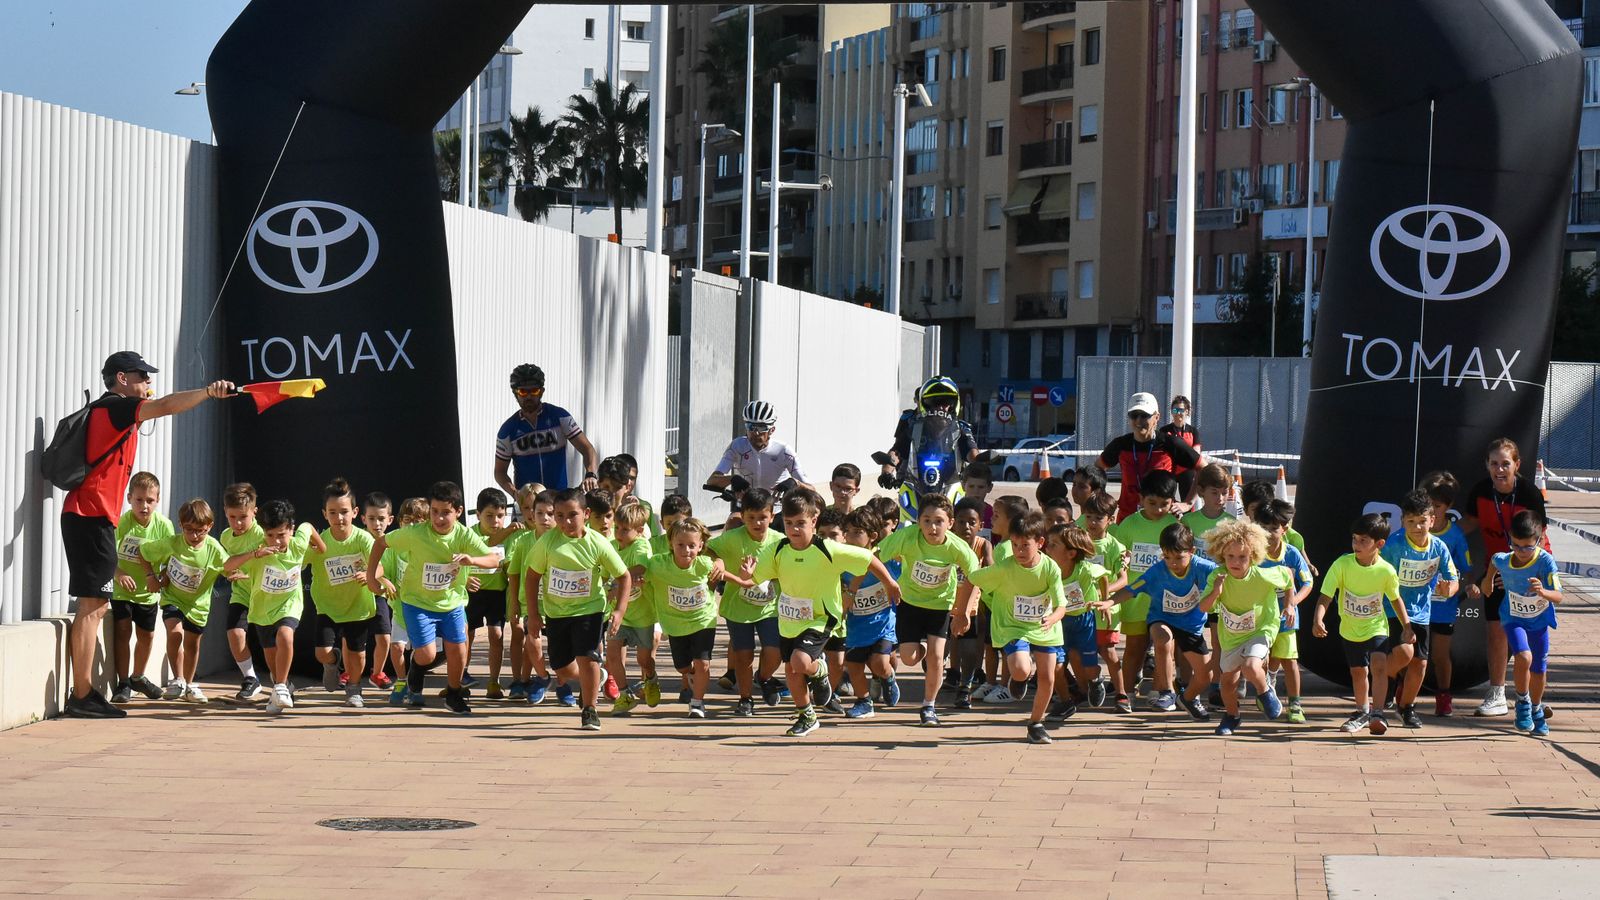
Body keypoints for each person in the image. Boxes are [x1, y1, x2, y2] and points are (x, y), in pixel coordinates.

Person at [60, 351, 233, 719]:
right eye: (143, 377)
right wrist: (208, 391)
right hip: (89, 517)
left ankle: (85, 692)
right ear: (122, 378)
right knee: (92, 609)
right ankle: (82, 695)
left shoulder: (117, 412)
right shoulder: (117, 407)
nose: (149, 384)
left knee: (96, 607)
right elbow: (168, 405)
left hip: (92, 518)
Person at [748, 490, 896, 738]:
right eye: (789, 524)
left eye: (801, 523)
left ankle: (820, 672)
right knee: (792, 671)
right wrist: (747, 573)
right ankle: (807, 716)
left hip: (821, 617)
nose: (794, 529)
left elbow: (868, 558)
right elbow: (753, 578)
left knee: (801, 662)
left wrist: (890, 583)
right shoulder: (778, 549)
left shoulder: (829, 549)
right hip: (789, 620)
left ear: (813, 522)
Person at [367, 481, 500, 716]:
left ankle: (454, 693)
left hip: (452, 603)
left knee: (458, 650)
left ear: (458, 512)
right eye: (434, 512)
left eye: (446, 513)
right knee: (426, 655)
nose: (439, 519)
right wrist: (371, 577)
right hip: (417, 603)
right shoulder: (415, 533)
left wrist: (472, 560)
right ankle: (415, 672)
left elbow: (493, 560)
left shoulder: (464, 535)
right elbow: (381, 543)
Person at [522, 488, 632, 731]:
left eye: (572, 515)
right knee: (561, 667)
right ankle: (593, 678)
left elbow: (624, 577)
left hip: (590, 611)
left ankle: (590, 710)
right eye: (559, 516)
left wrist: (619, 611)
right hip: (557, 613)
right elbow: (531, 577)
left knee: (588, 656)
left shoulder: (597, 543)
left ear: (586, 513)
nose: (565, 522)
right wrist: (533, 614)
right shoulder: (548, 542)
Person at [959, 513, 1069, 745]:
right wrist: (962, 613)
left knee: (1048, 677)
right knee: (1020, 669)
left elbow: (1061, 605)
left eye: (1025, 546)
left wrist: (1052, 619)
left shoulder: (1051, 569)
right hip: (1012, 626)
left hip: (1045, 627)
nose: (1019, 551)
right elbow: (971, 579)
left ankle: (1036, 724)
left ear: (1040, 543)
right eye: (1015, 545)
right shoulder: (1004, 568)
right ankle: (1018, 678)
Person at [1459, 437, 1547, 718]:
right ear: (1487, 465)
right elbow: (1470, 523)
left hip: (1528, 571)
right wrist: (1434, 539)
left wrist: (1533, 574)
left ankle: (1534, 701)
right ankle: (1497, 693)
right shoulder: (1481, 491)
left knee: (1533, 636)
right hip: (1496, 570)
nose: (1499, 469)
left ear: (1517, 465)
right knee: (1495, 630)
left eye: (1505, 464)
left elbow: (1540, 536)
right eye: (1494, 463)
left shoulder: (1530, 494)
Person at [879, 493, 983, 727]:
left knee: (937, 658)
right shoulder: (906, 537)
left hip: (940, 606)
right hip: (910, 603)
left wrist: (964, 611)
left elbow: (975, 578)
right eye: (926, 520)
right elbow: (875, 557)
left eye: (938, 521)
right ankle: (923, 645)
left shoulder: (957, 547)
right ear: (918, 521)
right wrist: (888, 582)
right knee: (910, 657)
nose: (932, 527)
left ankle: (928, 706)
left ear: (950, 523)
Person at [223, 499, 326, 715]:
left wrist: (321, 546)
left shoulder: (298, 543)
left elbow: (308, 527)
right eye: (270, 535)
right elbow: (227, 566)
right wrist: (253, 556)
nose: (276, 541)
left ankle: (279, 688)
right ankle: (282, 685)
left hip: (289, 605)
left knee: (286, 636)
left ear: (291, 529)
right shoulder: (259, 548)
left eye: (281, 535)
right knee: (273, 661)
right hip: (262, 611)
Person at [1199, 519, 1294, 737]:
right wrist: (1216, 591)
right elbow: (1203, 607)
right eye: (1230, 556)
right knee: (1227, 684)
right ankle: (1232, 716)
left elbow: (1288, 575)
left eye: (1242, 557)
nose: (1236, 562)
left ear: (1253, 556)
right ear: (1222, 554)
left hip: (1262, 628)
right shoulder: (1217, 576)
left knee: (1252, 667)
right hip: (1232, 636)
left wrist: (1289, 604)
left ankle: (1265, 691)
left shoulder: (1261, 575)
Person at [1313, 514, 1405, 736]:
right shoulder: (1342, 564)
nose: (1357, 544)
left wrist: (1408, 625)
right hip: (1350, 629)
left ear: (1379, 544)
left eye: (1364, 540)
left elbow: (1395, 599)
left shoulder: (1386, 571)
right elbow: (1326, 595)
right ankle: (1362, 712)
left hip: (1376, 627)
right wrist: (1318, 618)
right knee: (1358, 672)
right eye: (1355, 539)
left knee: (1380, 665)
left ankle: (1378, 713)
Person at [1120, 522, 1216, 720]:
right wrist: (1108, 601)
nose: (1172, 562)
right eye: (1167, 556)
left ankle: (1188, 698)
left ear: (1192, 551)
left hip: (1191, 625)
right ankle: (1167, 692)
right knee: (1162, 638)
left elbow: (1232, 575)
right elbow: (1132, 589)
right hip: (1161, 618)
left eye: (1179, 557)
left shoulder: (1205, 568)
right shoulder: (1157, 571)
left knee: (1206, 675)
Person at [1380, 490, 1459, 729]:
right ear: (1402, 521)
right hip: (1393, 609)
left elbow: (1453, 579)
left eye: (1422, 521)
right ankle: (1387, 678)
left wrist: (1448, 590)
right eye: (1411, 522)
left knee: (1420, 664)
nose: (1417, 527)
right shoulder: (1394, 545)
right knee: (1404, 652)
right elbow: (1381, 577)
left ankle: (1406, 707)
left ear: (1432, 520)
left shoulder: (1439, 548)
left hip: (1422, 612)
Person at [136, 499, 227, 703]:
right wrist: (150, 577)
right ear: (180, 525)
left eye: (200, 531)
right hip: (172, 597)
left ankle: (189, 683)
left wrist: (237, 573)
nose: (194, 536)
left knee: (192, 644)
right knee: (175, 632)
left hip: (198, 605)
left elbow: (228, 565)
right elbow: (143, 551)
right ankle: (178, 679)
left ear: (209, 527)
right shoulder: (172, 543)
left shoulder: (214, 548)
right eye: (189, 529)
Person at [634, 518, 724, 719]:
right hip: (675, 624)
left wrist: (738, 576)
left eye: (692, 546)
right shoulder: (658, 564)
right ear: (671, 545)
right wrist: (635, 581)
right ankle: (691, 675)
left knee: (703, 663)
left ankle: (698, 702)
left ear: (700, 546)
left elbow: (724, 572)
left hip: (703, 620)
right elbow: (640, 574)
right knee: (683, 667)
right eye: (680, 545)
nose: (686, 550)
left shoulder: (704, 564)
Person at [708, 487, 786, 716]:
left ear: (772, 516)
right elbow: (709, 549)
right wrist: (718, 562)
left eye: (763, 517)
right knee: (744, 655)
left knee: (774, 651)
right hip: (738, 609)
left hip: (770, 608)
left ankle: (763, 678)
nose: (757, 523)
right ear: (742, 517)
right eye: (751, 517)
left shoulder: (780, 541)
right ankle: (745, 698)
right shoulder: (732, 539)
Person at [1485, 511, 1562, 736]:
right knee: (1523, 656)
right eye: (1516, 545)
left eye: (1527, 547)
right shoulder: (1504, 559)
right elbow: (1493, 561)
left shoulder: (1545, 561)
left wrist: (1543, 591)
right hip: (1513, 618)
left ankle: (1537, 709)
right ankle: (1522, 702)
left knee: (1539, 669)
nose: (1521, 552)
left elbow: (1558, 595)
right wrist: (1487, 580)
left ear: (1538, 541)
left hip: (1538, 622)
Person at [306, 478, 381, 708]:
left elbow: (379, 566)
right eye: (333, 512)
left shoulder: (363, 538)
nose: (339, 517)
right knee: (322, 652)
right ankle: (333, 662)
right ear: (324, 514)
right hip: (327, 606)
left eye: (344, 512)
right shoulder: (320, 542)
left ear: (355, 512)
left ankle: (354, 689)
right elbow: (296, 562)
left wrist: (370, 575)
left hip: (358, 606)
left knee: (358, 654)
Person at [108, 471, 173, 704]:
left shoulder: (164, 526)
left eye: (150, 501)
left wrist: (160, 579)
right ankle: (123, 682)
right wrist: (119, 573)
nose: (144, 506)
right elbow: (107, 555)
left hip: (147, 593)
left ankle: (138, 676)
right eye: (139, 500)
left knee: (146, 635)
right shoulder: (121, 522)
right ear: (129, 498)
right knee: (123, 631)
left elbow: (172, 559)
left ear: (157, 501)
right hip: (122, 589)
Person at [878, 376, 980, 521]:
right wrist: (887, 472)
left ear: (953, 403)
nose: (940, 407)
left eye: (946, 402)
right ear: (925, 403)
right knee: (900, 523)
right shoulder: (913, 426)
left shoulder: (960, 427)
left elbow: (972, 453)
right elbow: (897, 450)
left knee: (965, 522)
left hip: (951, 483)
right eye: (934, 402)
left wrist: (981, 461)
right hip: (916, 482)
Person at [493, 364, 600, 494]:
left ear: (542, 391)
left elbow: (587, 449)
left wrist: (591, 475)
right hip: (528, 506)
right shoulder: (508, 430)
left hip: (558, 501)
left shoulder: (559, 417)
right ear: (515, 393)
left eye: (534, 391)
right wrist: (516, 494)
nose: (528, 396)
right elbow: (500, 472)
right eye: (523, 391)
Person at [1096, 392, 1202, 522]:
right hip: (1127, 520)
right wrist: (1102, 499)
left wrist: (1188, 503)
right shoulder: (1120, 444)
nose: (1139, 421)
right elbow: (1097, 469)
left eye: (1145, 415)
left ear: (1156, 417)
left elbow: (1204, 468)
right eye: (1134, 415)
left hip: (1162, 521)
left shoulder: (1170, 443)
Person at [1254, 500, 1314, 724]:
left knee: (1289, 661)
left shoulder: (1292, 554)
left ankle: (1295, 704)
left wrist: (1292, 603)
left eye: (1274, 529)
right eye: (1264, 528)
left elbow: (1307, 583)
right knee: (1262, 660)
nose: (1269, 533)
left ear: (1285, 529)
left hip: (1287, 618)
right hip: (1259, 618)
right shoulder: (1252, 554)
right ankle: (1266, 691)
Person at [1418, 470, 1471, 716]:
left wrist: (1467, 585)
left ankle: (1443, 696)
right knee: (1410, 653)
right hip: (1415, 605)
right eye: (1427, 505)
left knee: (1440, 655)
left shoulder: (1456, 535)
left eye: (1436, 506)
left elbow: (1466, 569)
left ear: (1448, 506)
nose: (1431, 511)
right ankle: (1399, 693)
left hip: (1443, 607)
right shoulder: (1413, 532)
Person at [841, 508, 902, 719]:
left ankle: (888, 677)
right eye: (847, 531)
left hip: (883, 623)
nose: (849, 537)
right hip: (856, 626)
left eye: (857, 532)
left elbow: (903, 572)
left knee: (879, 663)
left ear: (872, 536)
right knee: (854, 666)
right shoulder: (842, 562)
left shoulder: (886, 560)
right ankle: (864, 701)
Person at [606, 502, 659, 716]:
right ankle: (625, 694)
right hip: (620, 615)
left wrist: (617, 586)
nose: (619, 533)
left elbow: (638, 570)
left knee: (643, 659)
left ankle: (650, 679)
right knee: (612, 655)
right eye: (617, 528)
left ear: (639, 530)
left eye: (625, 529)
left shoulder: (641, 546)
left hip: (642, 616)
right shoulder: (611, 545)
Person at [464, 488, 517, 698]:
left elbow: (510, 567)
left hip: (496, 594)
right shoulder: (469, 534)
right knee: (466, 635)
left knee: (496, 635)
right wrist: (465, 579)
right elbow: (458, 562)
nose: (495, 521)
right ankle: (462, 675)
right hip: (472, 594)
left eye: (500, 516)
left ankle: (494, 681)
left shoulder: (511, 537)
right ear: (477, 515)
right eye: (489, 516)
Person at [219, 483, 266, 704]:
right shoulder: (226, 537)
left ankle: (282, 684)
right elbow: (226, 566)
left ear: (254, 512)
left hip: (267, 595)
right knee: (235, 634)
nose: (237, 523)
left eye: (243, 517)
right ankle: (250, 678)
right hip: (241, 595)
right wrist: (230, 574)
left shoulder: (264, 534)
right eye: (232, 517)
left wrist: (247, 574)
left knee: (273, 644)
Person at [707, 400, 815, 496]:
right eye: (751, 426)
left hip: (777, 509)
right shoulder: (737, 446)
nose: (756, 432)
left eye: (761, 427)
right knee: (733, 519)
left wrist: (795, 483)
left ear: (772, 430)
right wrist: (732, 479)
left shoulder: (784, 451)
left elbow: (812, 490)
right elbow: (711, 481)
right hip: (746, 508)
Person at [1158, 395, 1203, 501]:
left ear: (1187, 411)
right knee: (1165, 500)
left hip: (1187, 471)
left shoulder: (1193, 431)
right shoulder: (1164, 430)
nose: (1178, 413)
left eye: (1181, 410)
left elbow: (1196, 453)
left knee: (1187, 501)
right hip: (1169, 470)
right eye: (1175, 410)